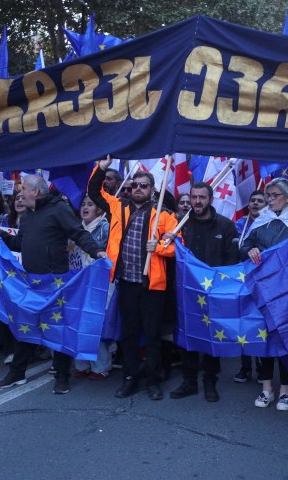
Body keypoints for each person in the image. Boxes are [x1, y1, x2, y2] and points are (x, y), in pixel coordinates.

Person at [0, 175, 106, 394]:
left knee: (58, 329)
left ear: (35, 192)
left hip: (56, 282)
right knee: (26, 326)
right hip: (32, 282)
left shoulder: (59, 209)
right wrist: (2, 236)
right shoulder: (26, 217)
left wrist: (96, 251)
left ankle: (62, 376)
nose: (21, 193)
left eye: (24, 189)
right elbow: (21, 243)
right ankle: (17, 372)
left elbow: (78, 233)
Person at [88, 157, 178, 401]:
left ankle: (152, 380)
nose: (138, 188)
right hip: (126, 283)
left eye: (144, 185)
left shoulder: (165, 214)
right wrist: (103, 168)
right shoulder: (119, 207)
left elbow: (177, 247)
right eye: (135, 185)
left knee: (151, 336)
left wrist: (158, 247)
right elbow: (94, 192)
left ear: (152, 190)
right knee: (128, 334)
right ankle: (129, 378)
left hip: (153, 287)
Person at [240, 178, 288, 411]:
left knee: (285, 339)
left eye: (274, 195)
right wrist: (250, 249)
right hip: (261, 289)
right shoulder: (262, 221)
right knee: (265, 339)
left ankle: (286, 391)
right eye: (268, 195)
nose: (269, 200)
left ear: (287, 197)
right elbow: (243, 245)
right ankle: (266, 388)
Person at [170, 182, 238, 402]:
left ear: (210, 199)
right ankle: (189, 382)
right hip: (185, 290)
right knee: (187, 335)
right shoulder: (180, 224)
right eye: (194, 197)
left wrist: (222, 287)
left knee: (210, 338)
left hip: (213, 291)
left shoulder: (225, 226)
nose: (197, 201)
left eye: (202, 197)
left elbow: (232, 260)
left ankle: (210, 382)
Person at [71, 194, 112, 380]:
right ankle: (81, 364)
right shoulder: (74, 227)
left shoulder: (104, 227)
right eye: (83, 204)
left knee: (95, 324)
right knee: (77, 323)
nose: (85, 208)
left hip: (97, 283)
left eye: (90, 204)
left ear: (99, 210)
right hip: (77, 282)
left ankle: (101, 365)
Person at [234, 190, 267, 383]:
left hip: (263, 279)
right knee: (244, 321)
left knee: (260, 322)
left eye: (260, 201)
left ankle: (263, 366)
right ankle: (245, 366)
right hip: (242, 276)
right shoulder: (239, 224)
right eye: (252, 200)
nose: (255, 203)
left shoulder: (269, 224)